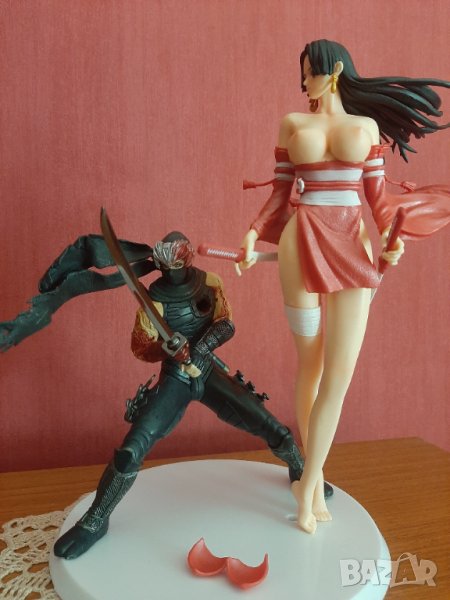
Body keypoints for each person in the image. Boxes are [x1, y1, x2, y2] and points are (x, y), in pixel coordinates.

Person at [237, 39, 450, 534]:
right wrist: (251, 233)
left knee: (339, 373)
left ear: (331, 71)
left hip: (354, 246)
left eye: (308, 73)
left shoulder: (366, 128)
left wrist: (394, 238)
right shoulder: (293, 124)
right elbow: (280, 192)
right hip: (299, 243)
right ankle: (312, 485)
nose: (303, 82)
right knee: (310, 363)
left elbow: (378, 199)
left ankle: (309, 481)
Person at [11, 230, 304, 559]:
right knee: (130, 451)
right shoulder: (153, 299)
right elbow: (141, 347)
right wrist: (166, 349)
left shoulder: (209, 282)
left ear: (186, 261)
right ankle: (95, 519)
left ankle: (301, 471)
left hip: (207, 370)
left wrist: (196, 349)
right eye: (163, 268)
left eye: (174, 267)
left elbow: (226, 324)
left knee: (271, 425)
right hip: (175, 378)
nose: (168, 273)